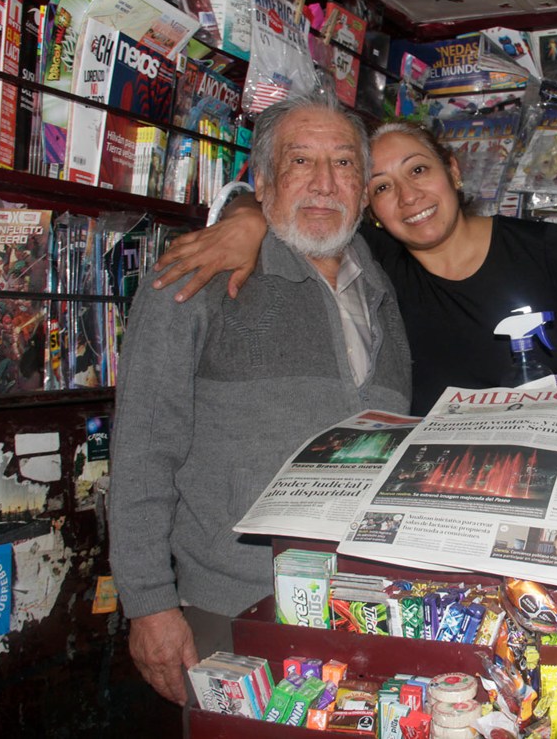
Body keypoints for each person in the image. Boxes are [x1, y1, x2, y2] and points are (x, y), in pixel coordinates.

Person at [108, 91, 411, 706]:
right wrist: (148, 604)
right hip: (230, 611)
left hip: (367, 611)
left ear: (363, 190)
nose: (325, 183)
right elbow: (143, 448)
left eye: (344, 163)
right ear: (264, 183)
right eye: (301, 161)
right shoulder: (196, 277)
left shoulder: (383, 290)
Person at [152, 121, 557, 415]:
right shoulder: (372, 264)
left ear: (452, 170)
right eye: (383, 187)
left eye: (418, 170)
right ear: (369, 209)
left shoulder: (546, 250)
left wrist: (553, 422)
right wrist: (245, 217)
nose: (408, 197)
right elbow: (292, 207)